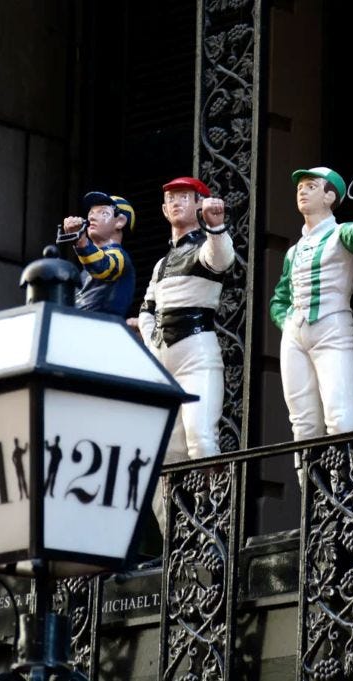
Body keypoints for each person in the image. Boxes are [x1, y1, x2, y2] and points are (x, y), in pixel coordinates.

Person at [270, 167, 353, 475]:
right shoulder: (293, 251)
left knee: (341, 414)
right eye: (300, 187)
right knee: (302, 421)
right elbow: (280, 298)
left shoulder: (341, 234)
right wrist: (289, 323)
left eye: (311, 186)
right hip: (296, 337)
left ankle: (345, 489)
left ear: (329, 196)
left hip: (333, 329)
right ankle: (310, 493)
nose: (302, 191)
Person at [138, 177, 233, 529]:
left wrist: (216, 227)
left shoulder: (205, 247)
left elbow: (221, 260)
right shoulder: (161, 264)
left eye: (183, 197)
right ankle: (174, 536)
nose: (176, 202)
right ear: (164, 210)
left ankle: (215, 527)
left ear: (198, 204)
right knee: (164, 452)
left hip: (196, 354)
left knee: (201, 440)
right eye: (171, 198)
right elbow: (147, 310)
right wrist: (152, 342)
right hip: (165, 361)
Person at [60, 192, 136, 317]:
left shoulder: (120, 257)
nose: (92, 218)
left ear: (120, 221)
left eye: (104, 213)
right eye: (91, 213)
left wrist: (82, 242)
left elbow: (103, 267)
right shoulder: (87, 266)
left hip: (102, 324)